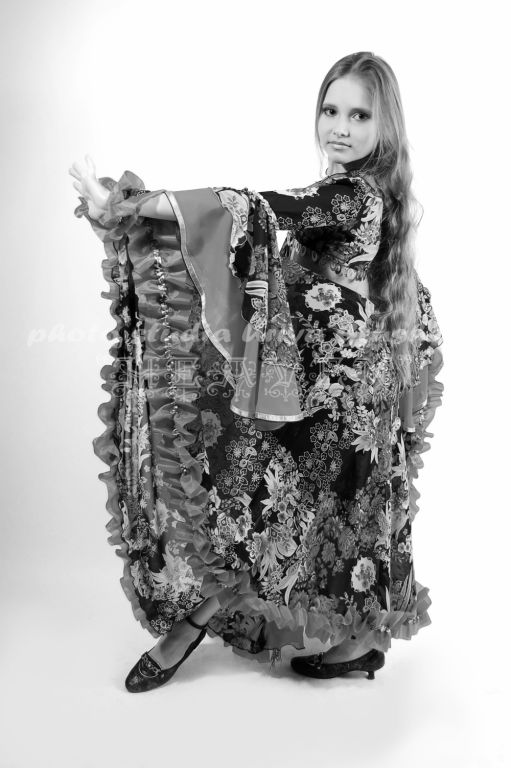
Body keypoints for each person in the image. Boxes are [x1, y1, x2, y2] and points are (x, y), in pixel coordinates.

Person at [69, 51, 444, 692]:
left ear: (387, 125)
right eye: (331, 110)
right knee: (300, 499)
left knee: (280, 499)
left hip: (341, 387)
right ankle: (343, 640)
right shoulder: (367, 189)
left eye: (360, 115)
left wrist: (138, 205)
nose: (340, 127)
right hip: (335, 377)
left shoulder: (352, 193)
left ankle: (197, 627)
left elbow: (257, 207)